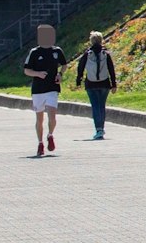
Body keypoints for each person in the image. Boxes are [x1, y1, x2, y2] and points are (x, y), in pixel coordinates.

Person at [21, 24, 68, 158]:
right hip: (38, 90)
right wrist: (37, 74)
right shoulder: (34, 52)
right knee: (39, 118)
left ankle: (50, 135)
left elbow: (64, 65)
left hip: (52, 88)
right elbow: (26, 70)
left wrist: (60, 74)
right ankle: (40, 143)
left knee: (52, 116)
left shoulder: (57, 51)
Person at [74, 31, 117, 141]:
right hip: (104, 83)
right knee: (101, 106)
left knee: (95, 106)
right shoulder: (105, 54)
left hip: (91, 83)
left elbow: (80, 68)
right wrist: (114, 84)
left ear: (91, 41)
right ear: (101, 40)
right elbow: (111, 69)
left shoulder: (87, 54)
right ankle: (101, 128)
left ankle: (98, 129)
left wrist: (78, 81)